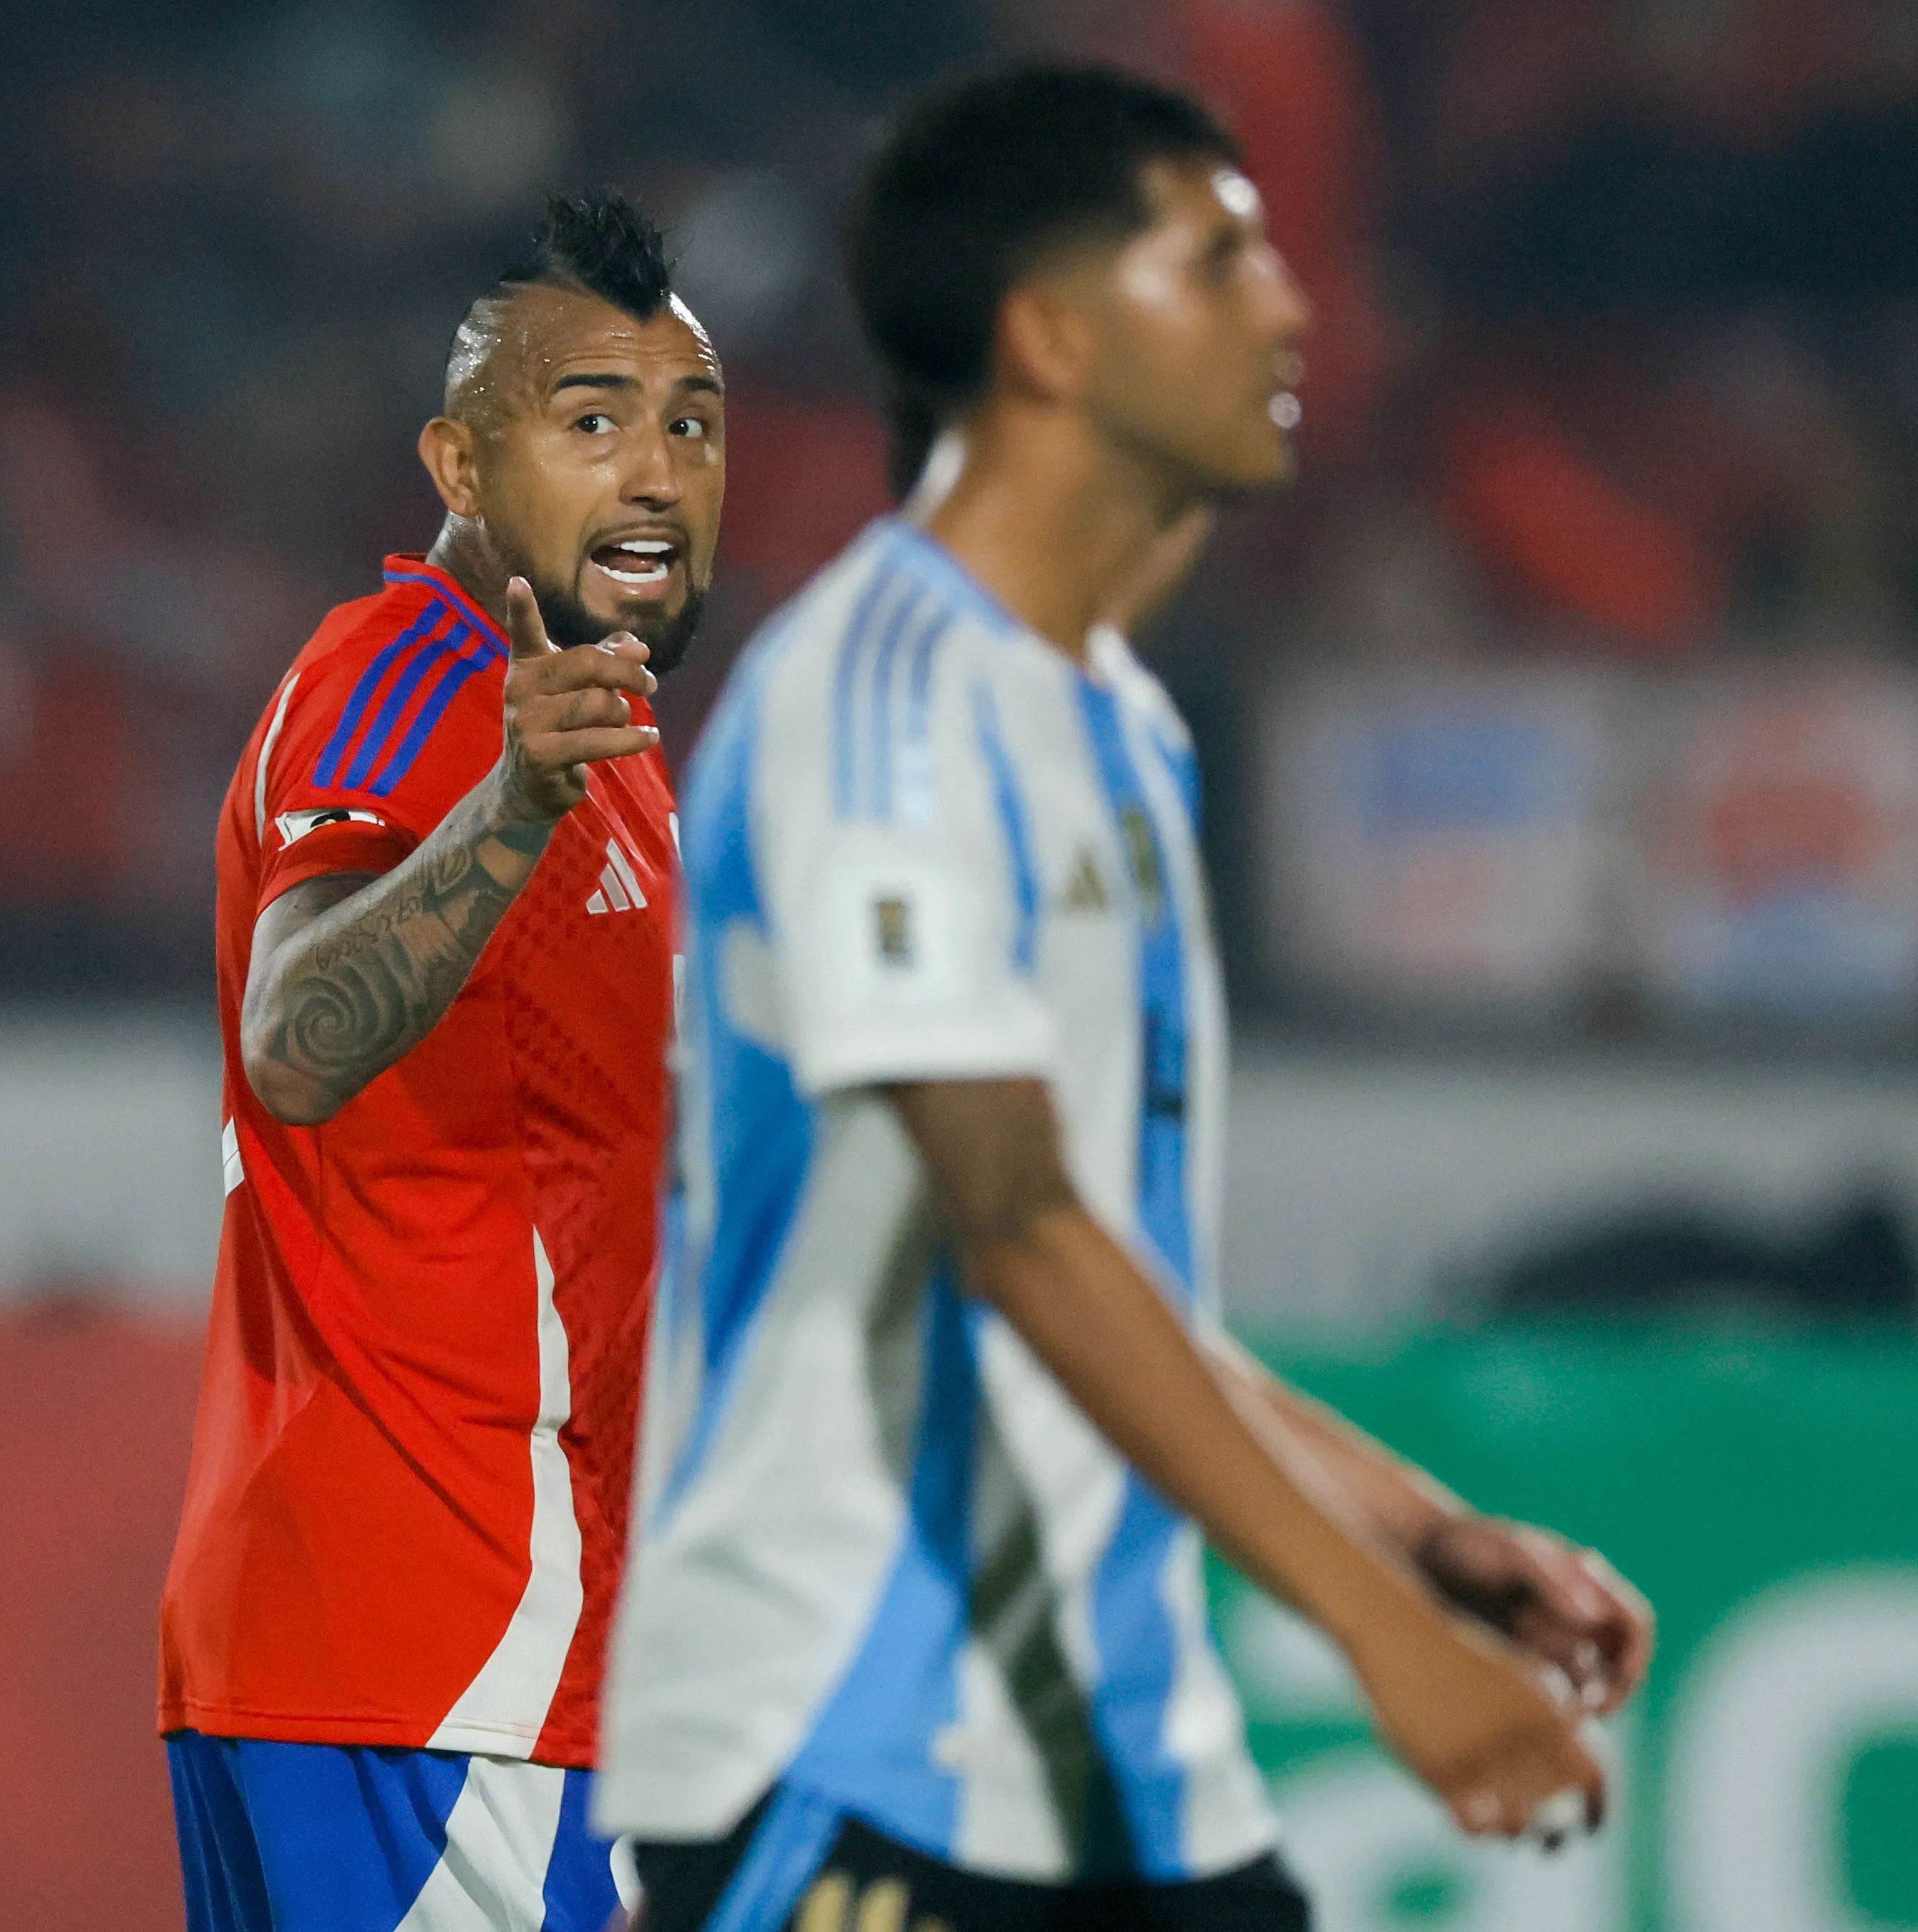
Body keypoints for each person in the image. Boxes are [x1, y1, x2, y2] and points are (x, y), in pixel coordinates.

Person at [598, 67, 1652, 1932]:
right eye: (1217, 261)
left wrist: (1418, 1538)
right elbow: (1009, 1223)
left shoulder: (1115, 727)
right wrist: (1374, 1645)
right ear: (1049, 338)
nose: (1291, 304)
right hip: (843, 1752)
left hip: (1128, 1782)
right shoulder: (880, 695)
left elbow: (1100, 1271)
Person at [160, 193, 722, 1932]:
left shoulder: (598, 748)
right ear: (461, 469)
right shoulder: (415, 674)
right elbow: (292, 1031)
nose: (651, 473)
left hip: (461, 1648)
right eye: (589, 421)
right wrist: (499, 823)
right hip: (432, 1645)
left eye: (689, 424)